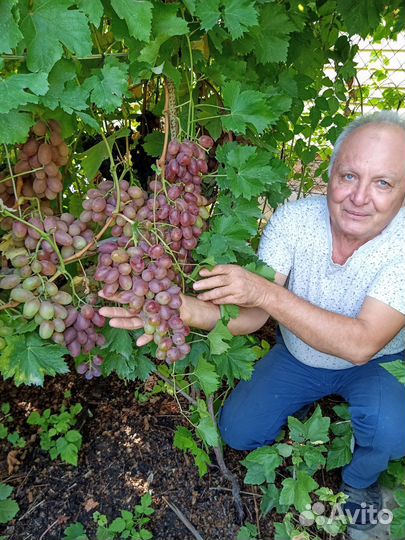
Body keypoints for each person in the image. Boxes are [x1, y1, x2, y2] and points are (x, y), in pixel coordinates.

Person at [100, 111, 405, 539]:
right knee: (237, 431)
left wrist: (264, 293)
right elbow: (254, 316)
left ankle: (359, 483)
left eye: (383, 183)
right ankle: (309, 412)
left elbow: (362, 344)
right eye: (349, 175)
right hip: (301, 355)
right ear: (331, 173)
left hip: (378, 360)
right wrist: (178, 309)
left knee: (394, 433)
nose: (359, 197)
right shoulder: (295, 221)